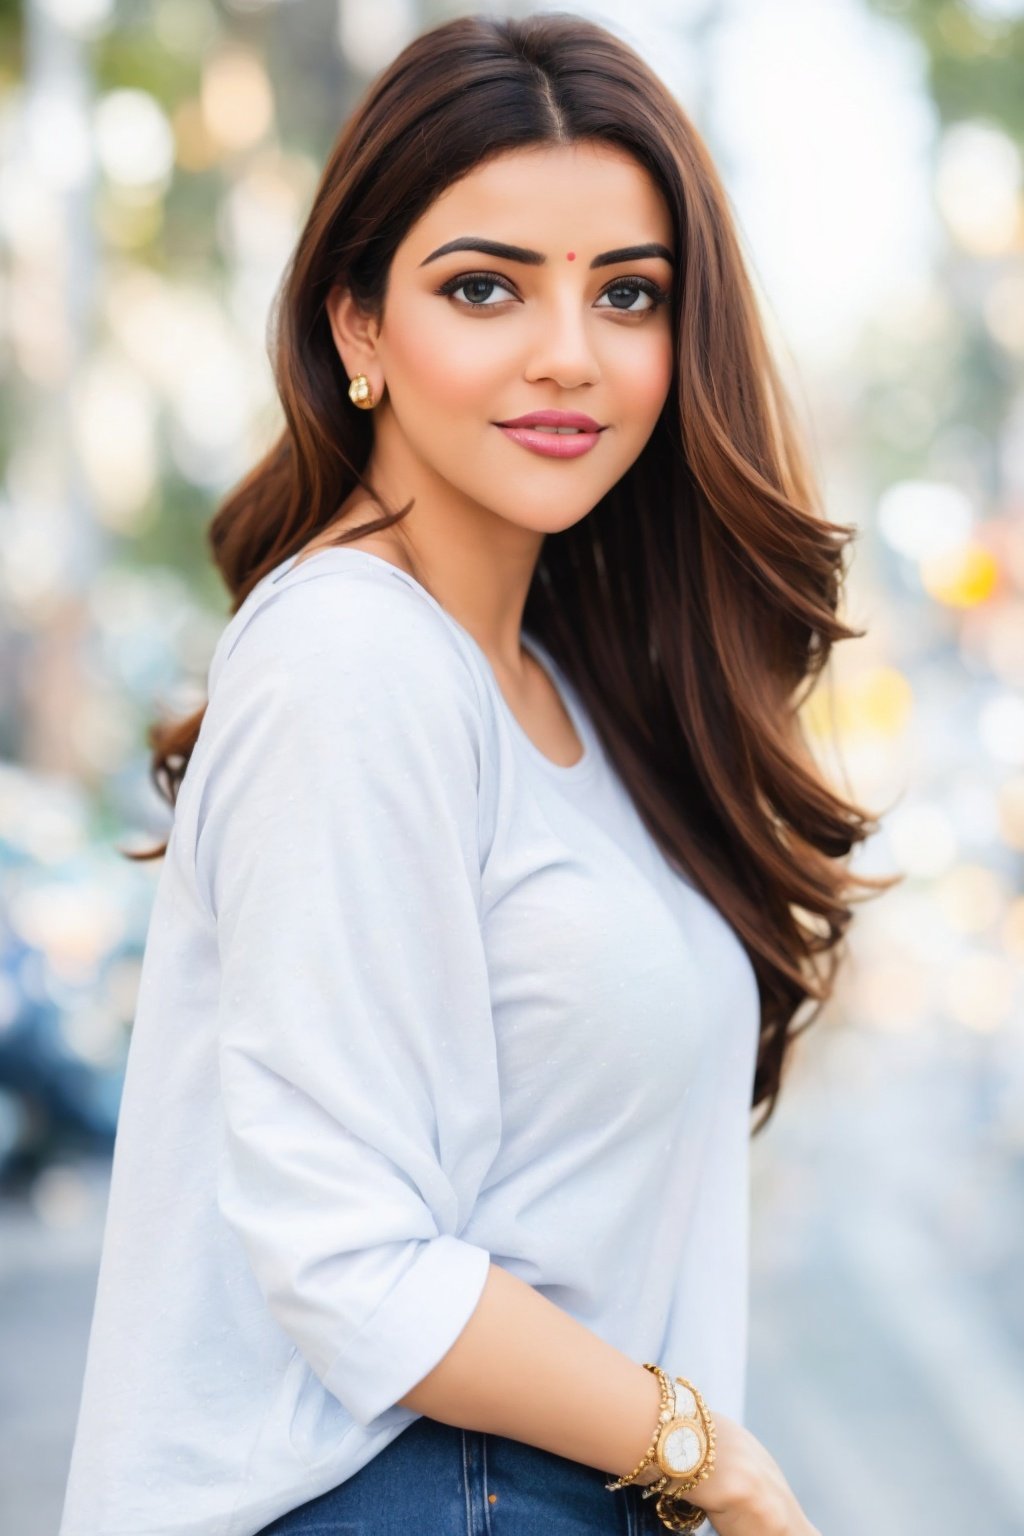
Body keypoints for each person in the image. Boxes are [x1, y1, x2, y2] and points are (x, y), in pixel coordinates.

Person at [58, 12, 888, 1535]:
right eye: (484, 286)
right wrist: (708, 1450)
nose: (568, 353)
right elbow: (350, 1255)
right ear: (357, 325)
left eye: (627, 293)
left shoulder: (554, 686)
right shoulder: (353, 663)